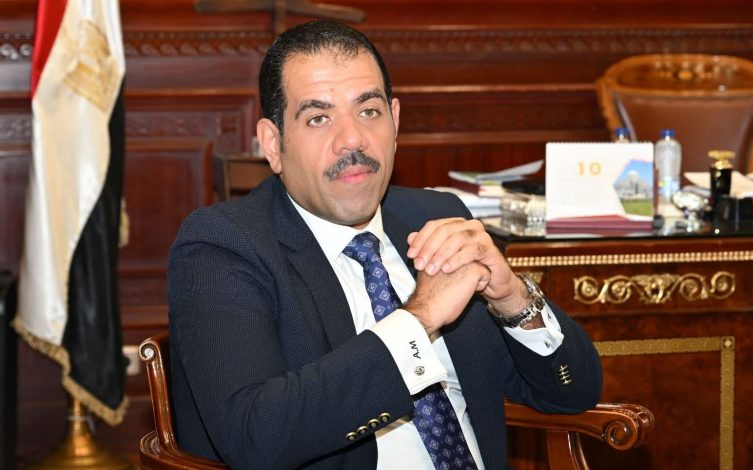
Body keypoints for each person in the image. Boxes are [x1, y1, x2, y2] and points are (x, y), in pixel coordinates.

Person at [167, 20, 602, 470]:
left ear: (395, 121)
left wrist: (511, 297)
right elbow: (254, 436)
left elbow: (573, 394)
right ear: (273, 144)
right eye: (318, 118)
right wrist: (419, 319)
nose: (352, 139)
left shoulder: (436, 218)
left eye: (369, 111)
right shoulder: (224, 246)